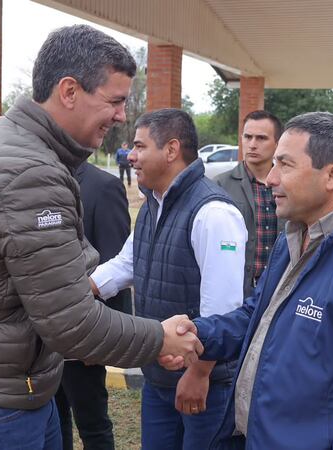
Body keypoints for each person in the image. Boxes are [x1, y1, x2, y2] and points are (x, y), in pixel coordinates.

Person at [0, 25, 203, 450]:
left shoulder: (1, 140)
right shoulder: (31, 172)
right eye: (115, 101)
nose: (122, 115)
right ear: (69, 91)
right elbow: (71, 325)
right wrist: (159, 338)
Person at [163, 112, 333, 449]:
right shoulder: (295, 239)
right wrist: (200, 335)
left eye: (285, 165)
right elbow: (256, 319)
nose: (271, 178)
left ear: (332, 175)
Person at [90, 108, 247, 449]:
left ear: (172, 150)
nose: (130, 155)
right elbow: (126, 264)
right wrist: (79, 290)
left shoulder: (214, 213)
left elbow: (222, 309)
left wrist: (199, 373)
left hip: (203, 382)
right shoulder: (151, 206)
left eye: (140, 146)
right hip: (159, 375)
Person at [54, 160, 132, 450]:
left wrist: (102, 340)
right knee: (51, 420)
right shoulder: (33, 181)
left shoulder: (104, 187)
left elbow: (117, 265)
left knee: (92, 424)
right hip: (39, 337)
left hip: (83, 334)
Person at [215, 110, 286, 297]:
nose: (252, 144)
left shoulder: (289, 185)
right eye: (248, 137)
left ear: (277, 144)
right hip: (235, 292)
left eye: (261, 138)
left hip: (279, 291)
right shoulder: (220, 185)